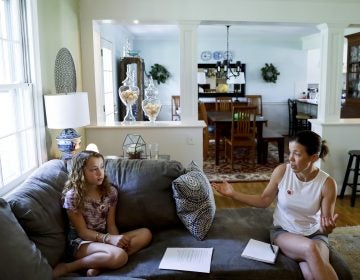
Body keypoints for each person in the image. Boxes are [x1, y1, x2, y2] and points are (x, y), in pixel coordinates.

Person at [213, 130, 339, 280]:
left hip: (315, 235)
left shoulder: (328, 184)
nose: (290, 158)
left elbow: (325, 223)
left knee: (310, 272)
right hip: (285, 233)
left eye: (297, 154)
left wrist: (327, 228)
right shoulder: (282, 171)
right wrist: (233, 194)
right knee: (312, 250)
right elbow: (264, 200)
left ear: (313, 157)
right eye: (290, 152)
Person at [53, 150, 152, 277]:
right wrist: (110, 240)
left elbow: (111, 225)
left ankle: (100, 265)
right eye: (94, 169)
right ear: (81, 172)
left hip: (104, 239)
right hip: (81, 243)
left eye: (101, 167)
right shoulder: (73, 196)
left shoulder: (110, 192)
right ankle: (68, 267)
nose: (100, 173)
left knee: (145, 233)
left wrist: (115, 240)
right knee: (120, 255)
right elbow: (82, 232)